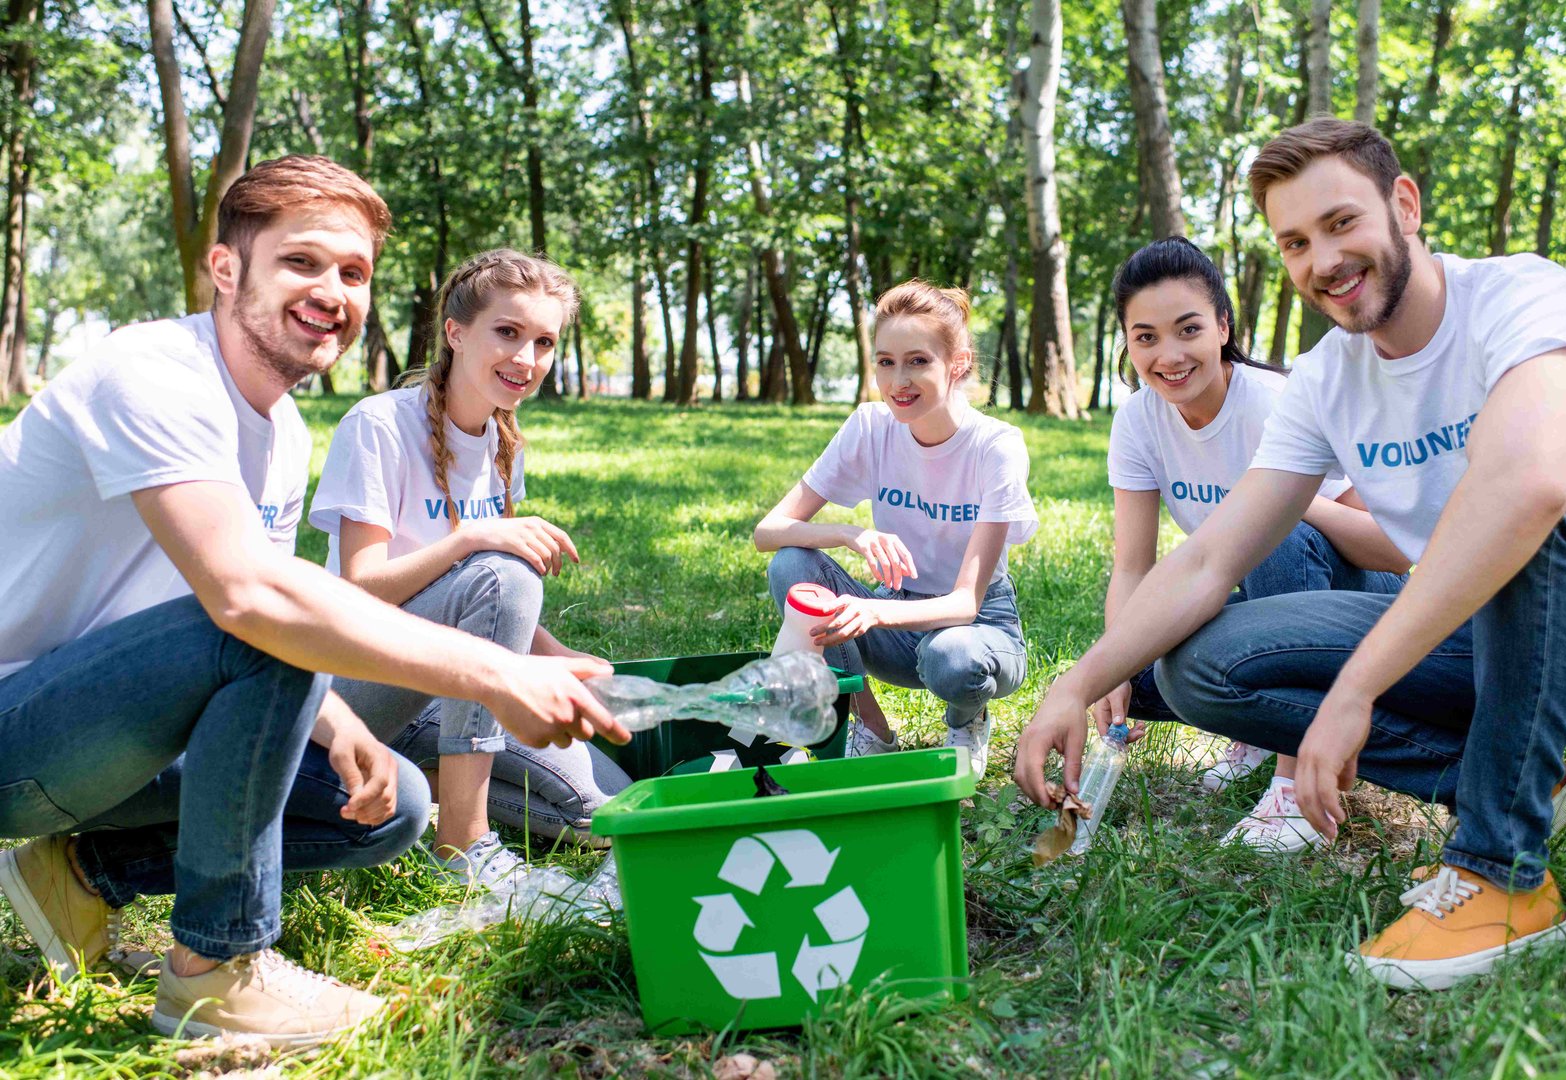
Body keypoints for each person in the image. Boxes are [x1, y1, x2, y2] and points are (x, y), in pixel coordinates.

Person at [0, 156, 626, 1045]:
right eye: (302, 262)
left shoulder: (283, 433)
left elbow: (241, 607)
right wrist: (491, 670)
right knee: (268, 626)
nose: (332, 289)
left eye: (354, 272)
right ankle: (216, 973)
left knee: (395, 800)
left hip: (110, 733)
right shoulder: (150, 372)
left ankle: (79, 874)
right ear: (227, 270)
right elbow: (251, 601)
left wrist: (344, 730)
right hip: (16, 730)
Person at [1015, 118, 1566, 991]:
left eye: (1340, 224)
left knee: (1532, 516)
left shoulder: (1520, 297)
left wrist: (1358, 688)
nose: (1322, 260)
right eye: (1295, 241)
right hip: (1497, 648)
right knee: (1203, 665)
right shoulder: (1327, 378)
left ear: (1402, 205)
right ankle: (1515, 781)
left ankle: (1502, 873)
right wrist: (1075, 682)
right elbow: (1209, 559)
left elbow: (1532, 490)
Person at [310, 249, 631, 886]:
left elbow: (489, 611)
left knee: (607, 812)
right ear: (456, 333)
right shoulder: (378, 425)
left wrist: (561, 658)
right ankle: (463, 844)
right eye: (507, 333)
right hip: (357, 685)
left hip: (451, 694)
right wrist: (470, 539)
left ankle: (431, 783)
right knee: (505, 568)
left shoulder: (503, 441)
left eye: (543, 342)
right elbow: (359, 588)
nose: (527, 359)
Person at [1100, 236, 1409, 851]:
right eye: (1146, 337)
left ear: (1221, 326)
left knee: (1278, 533)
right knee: (1146, 673)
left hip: (1365, 605)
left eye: (1187, 329)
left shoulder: (1276, 404)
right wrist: (1109, 669)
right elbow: (1133, 566)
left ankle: (1294, 788)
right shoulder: (1138, 420)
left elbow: (1393, 552)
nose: (1168, 355)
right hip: (1263, 594)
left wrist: (1279, 500)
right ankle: (1257, 728)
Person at [755, 280, 1038, 780]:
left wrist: (870, 609)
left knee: (953, 654)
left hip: (977, 630)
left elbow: (964, 604)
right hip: (895, 614)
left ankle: (967, 720)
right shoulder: (870, 426)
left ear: (958, 364)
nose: (898, 381)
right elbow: (769, 532)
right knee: (792, 564)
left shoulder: (995, 447)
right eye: (885, 362)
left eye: (917, 361)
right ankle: (872, 726)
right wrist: (849, 532)